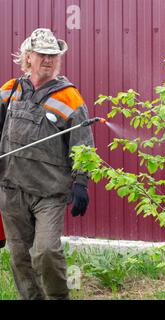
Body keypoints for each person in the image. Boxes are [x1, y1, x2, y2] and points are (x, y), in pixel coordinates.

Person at [0, 28, 94, 300]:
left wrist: (81, 182)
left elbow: (83, 145)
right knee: (19, 257)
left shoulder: (69, 97)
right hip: (11, 190)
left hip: (48, 194)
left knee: (46, 251)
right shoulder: (11, 89)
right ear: (28, 57)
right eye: (42, 54)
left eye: (54, 55)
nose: (48, 60)